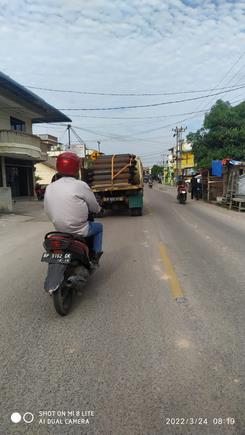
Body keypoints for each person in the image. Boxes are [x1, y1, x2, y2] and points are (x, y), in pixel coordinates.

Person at [44, 152, 103, 265]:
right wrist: (99, 210)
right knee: (99, 227)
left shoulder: (50, 187)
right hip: (80, 230)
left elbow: (47, 210)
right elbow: (94, 206)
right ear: (76, 168)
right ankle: (95, 256)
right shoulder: (80, 185)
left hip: (59, 230)